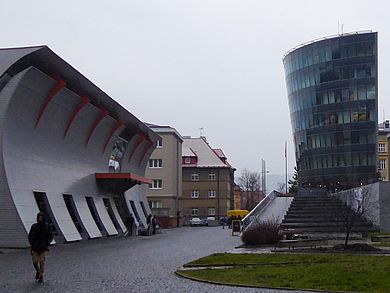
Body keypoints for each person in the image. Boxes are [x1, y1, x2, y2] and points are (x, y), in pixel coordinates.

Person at [28, 212, 53, 283]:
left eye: (41, 217)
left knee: (42, 261)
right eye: (39, 217)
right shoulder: (34, 226)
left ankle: (41, 275)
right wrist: (32, 243)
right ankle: (38, 271)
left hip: (43, 247)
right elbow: (30, 236)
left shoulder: (47, 226)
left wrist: (47, 243)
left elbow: (50, 235)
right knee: (35, 261)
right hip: (35, 247)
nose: (40, 219)